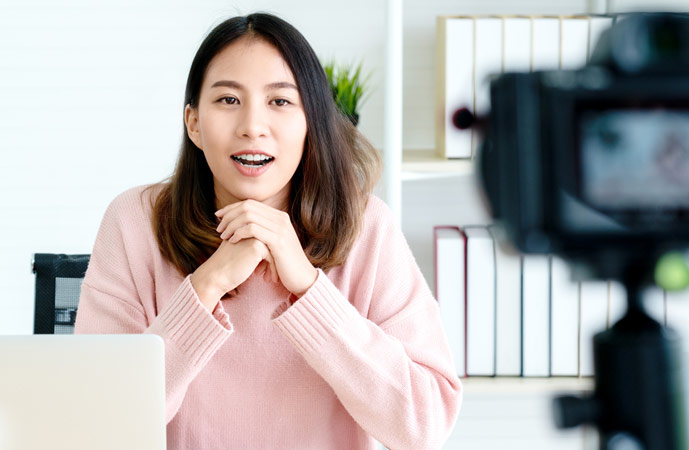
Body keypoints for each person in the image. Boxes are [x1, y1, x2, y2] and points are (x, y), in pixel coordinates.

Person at [74, 12, 462, 450]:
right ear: (194, 123)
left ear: (310, 123)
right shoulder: (135, 222)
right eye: (227, 100)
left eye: (280, 102)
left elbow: (424, 427)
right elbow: (94, 426)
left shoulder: (366, 227)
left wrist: (310, 290)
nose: (252, 127)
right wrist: (208, 284)